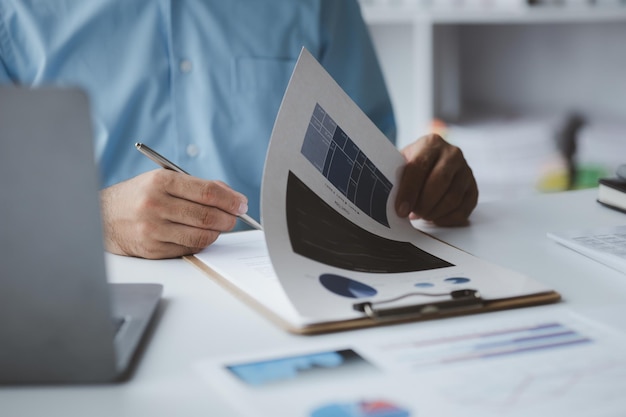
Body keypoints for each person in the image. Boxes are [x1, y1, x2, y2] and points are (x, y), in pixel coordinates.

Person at [0, 0, 478, 259]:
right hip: (100, 281)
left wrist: (422, 178)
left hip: (291, 279)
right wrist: (93, 219)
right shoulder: (15, 12)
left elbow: (366, 164)